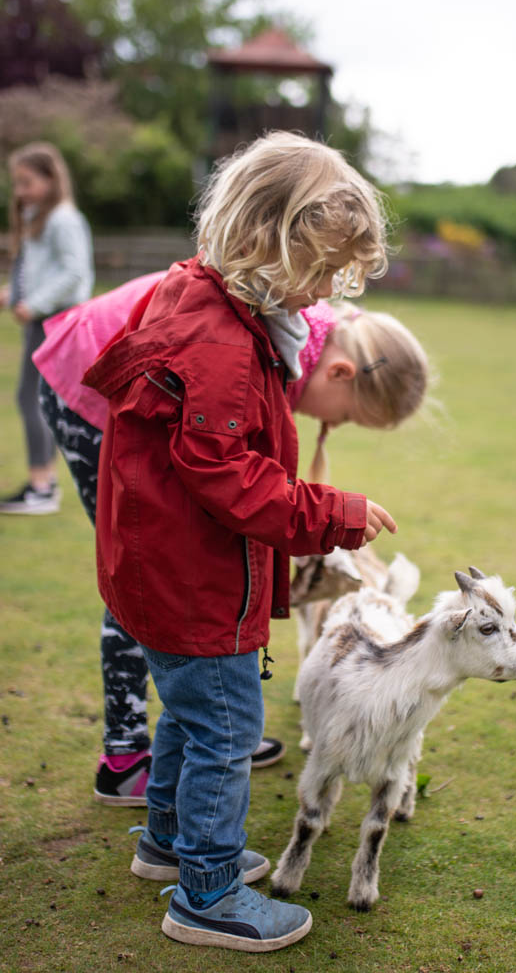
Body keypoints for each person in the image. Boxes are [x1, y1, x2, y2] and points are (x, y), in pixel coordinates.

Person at [81, 131, 401, 952]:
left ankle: (166, 844)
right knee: (224, 731)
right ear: (269, 241)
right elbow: (228, 479)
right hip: (196, 580)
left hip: (157, 569)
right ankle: (207, 892)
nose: (329, 290)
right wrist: (333, 514)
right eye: (324, 270)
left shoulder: (199, 298)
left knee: (187, 717)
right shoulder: (220, 344)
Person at [33, 286, 428, 803]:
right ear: (339, 374)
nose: (328, 426)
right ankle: (126, 754)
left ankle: (215, 722)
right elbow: (231, 480)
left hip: (154, 386)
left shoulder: (292, 339)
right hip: (94, 381)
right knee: (143, 569)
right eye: (345, 417)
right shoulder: (266, 349)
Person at [0, 142, 94, 515]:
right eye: (16, 184)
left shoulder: (62, 219)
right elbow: (42, 271)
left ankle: (41, 488)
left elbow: (74, 273)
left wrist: (34, 303)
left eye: (27, 182)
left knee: (31, 399)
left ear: (51, 179)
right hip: (44, 318)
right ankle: (44, 483)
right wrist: (13, 295)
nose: (20, 192)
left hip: (56, 321)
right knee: (38, 400)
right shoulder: (40, 217)